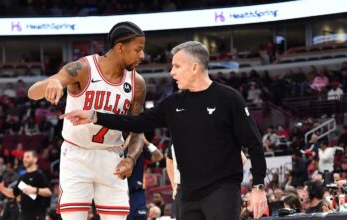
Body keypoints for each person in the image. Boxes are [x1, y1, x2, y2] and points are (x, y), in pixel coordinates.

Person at [60, 41, 268, 219]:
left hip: (222, 191)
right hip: (187, 194)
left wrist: (258, 187)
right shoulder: (172, 103)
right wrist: (95, 116)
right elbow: (137, 122)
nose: (172, 72)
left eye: (177, 66)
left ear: (194, 67)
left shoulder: (229, 98)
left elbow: (254, 144)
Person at [28, 21, 147, 220]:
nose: (142, 56)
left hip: (112, 157)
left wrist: (131, 158)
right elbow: (32, 93)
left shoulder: (137, 83)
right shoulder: (83, 68)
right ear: (120, 47)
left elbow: (137, 130)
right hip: (77, 155)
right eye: (138, 49)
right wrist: (55, 81)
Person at [0, 150, 52, 220]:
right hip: (23, 216)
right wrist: (2, 189)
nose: (25, 159)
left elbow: (48, 192)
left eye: (28, 157)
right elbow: (14, 193)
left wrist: (35, 190)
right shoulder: (22, 177)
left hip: (36, 216)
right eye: (24, 157)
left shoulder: (40, 175)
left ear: (35, 159)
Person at [127, 135, 163, 220]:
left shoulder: (141, 150)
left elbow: (159, 156)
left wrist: (146, 142)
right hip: (120, 191)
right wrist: (129, 141)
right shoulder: (118, 147)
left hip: (137, 192)